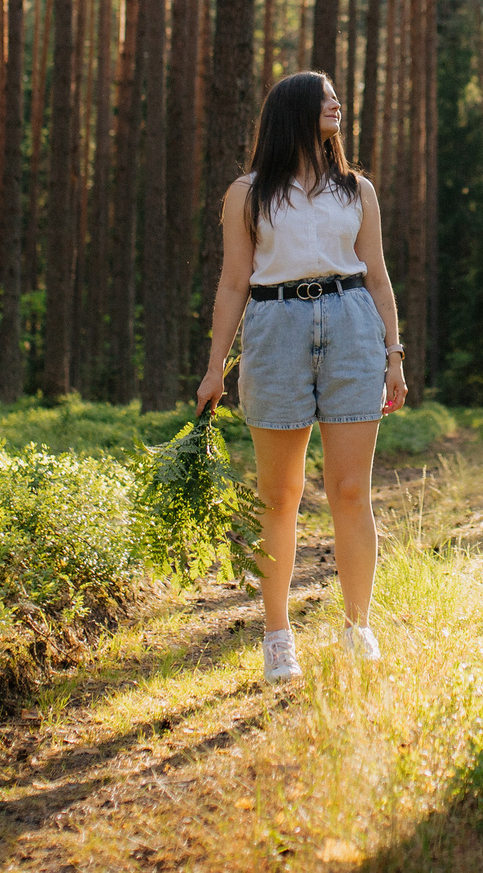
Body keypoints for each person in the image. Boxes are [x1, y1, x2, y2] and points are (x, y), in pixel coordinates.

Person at [198, 72, 408, 685]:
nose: (337, 104)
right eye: (325, 97)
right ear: (293, 110)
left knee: (350, 491)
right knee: (279, 494)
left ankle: (358, 628)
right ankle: (277, 637)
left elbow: (377, 276)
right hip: (275, 329)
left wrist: (394, 354)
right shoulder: (248, 193)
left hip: (352, 326)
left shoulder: (356, 190)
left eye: (337, 97)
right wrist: (214, 369)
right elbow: (233, 283)